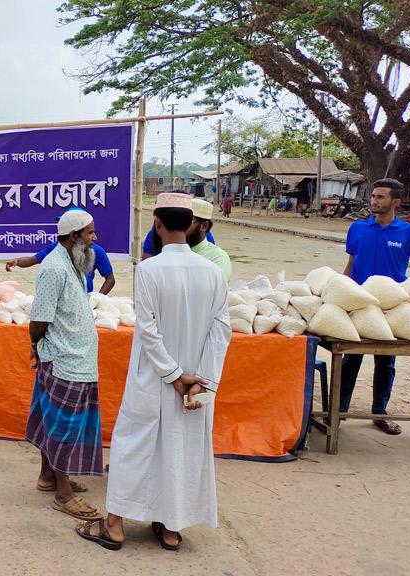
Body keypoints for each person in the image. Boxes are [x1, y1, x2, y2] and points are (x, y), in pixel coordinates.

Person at [78, 192, 230, 552]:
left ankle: (114, 526)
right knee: (182, 450)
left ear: (157, 224)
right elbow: (221, 331)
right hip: (194, 383)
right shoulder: (213, 272)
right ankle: (171, 528)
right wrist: (199, 381)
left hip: (155, 377)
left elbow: (147, 329)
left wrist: (174, 375)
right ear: (192, 225)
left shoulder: (149, 269)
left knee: (135, 448)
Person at [26, 209, 104, 522]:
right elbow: (39, 320)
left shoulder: (72, 264)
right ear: (73, 237)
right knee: (63, 427)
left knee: (52, 421)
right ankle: (63, 493)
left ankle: (48, 476)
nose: (94, 239)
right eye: (89, 233)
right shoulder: (54, 268)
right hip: (63, 360)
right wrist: (35, 346)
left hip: (77, 358)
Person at [340, 179, 410, 435]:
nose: (374, 201)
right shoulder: (357, 228)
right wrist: (340, 289)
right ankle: (339, 413)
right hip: (359, 302)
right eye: (373, 196)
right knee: (349, 359)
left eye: (381, 197)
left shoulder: (409, 233)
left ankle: (380, 413)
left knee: (386, 362)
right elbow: (351, 263)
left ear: (396, 202)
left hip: (392, 307)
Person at [5, 208, 116, 294]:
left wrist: (97, 299)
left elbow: (110, 279)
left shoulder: (96, 251)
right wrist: (16, 261)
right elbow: (33, 259)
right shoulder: (54, 253)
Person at [188, 198, 233, 281]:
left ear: (204, 226)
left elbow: (215, 289)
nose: (180, 226)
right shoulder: (169, 250)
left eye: (187, 222)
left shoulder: (218, 258)